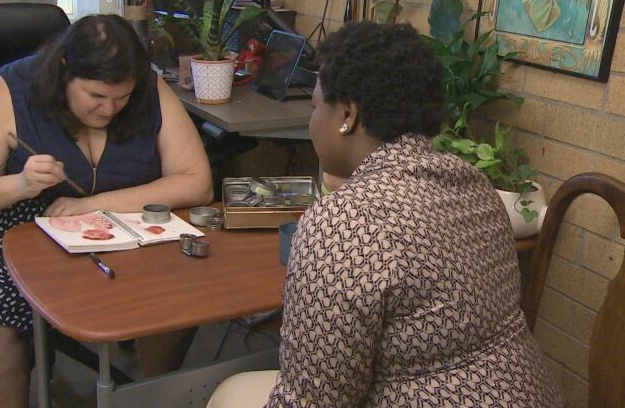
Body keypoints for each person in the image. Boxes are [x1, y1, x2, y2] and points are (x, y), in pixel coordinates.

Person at [207, 22, 563, 407]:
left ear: (348, 115)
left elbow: (314, 400)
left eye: (314, 107)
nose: (311, 122)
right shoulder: (473, 184)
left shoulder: (343, 225)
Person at [0, 14, 213, 407]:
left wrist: (91, 204)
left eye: (121, 97)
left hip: (114, 221)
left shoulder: (145, 84)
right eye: (95, 96)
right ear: (65, 70)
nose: (109, 109)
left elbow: (196, 181)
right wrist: (20, 184)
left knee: (179, 287)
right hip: (6, 226)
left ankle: (149, 395)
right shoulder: (12, 89)